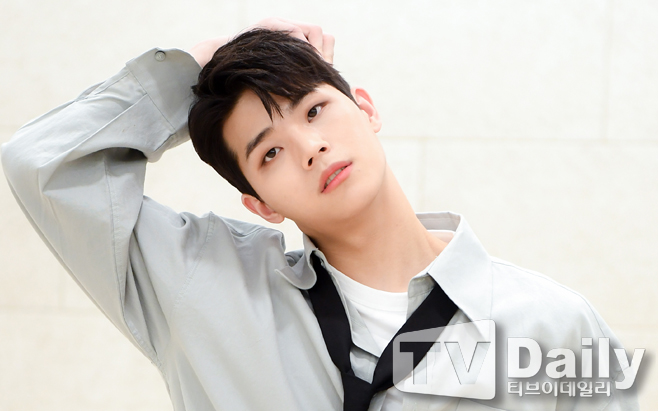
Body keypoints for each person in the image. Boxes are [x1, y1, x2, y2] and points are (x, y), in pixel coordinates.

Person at [1, 18, 640, 411]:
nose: (310, 147)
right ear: (260, 202)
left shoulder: (553, 326)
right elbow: (43, 162)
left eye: (314, 110)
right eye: (270, 152)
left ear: (366, 108)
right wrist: (200, 65)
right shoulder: (207, 290)